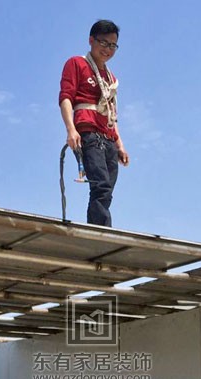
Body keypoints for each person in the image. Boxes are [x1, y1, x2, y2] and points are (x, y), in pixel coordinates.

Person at [59, 19, 130, 227]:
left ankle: (99, 228)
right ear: (91, 40)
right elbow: (66, 97)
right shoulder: (77, 63)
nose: (108, 49)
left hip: (108, 136)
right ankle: (102, 234)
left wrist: (120, 144)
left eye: (113, 45)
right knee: (100, 186)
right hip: (89, 132)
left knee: (106, 191)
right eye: (103, 43)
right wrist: (71, 130)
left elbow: (111, 112)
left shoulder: (110, 78)